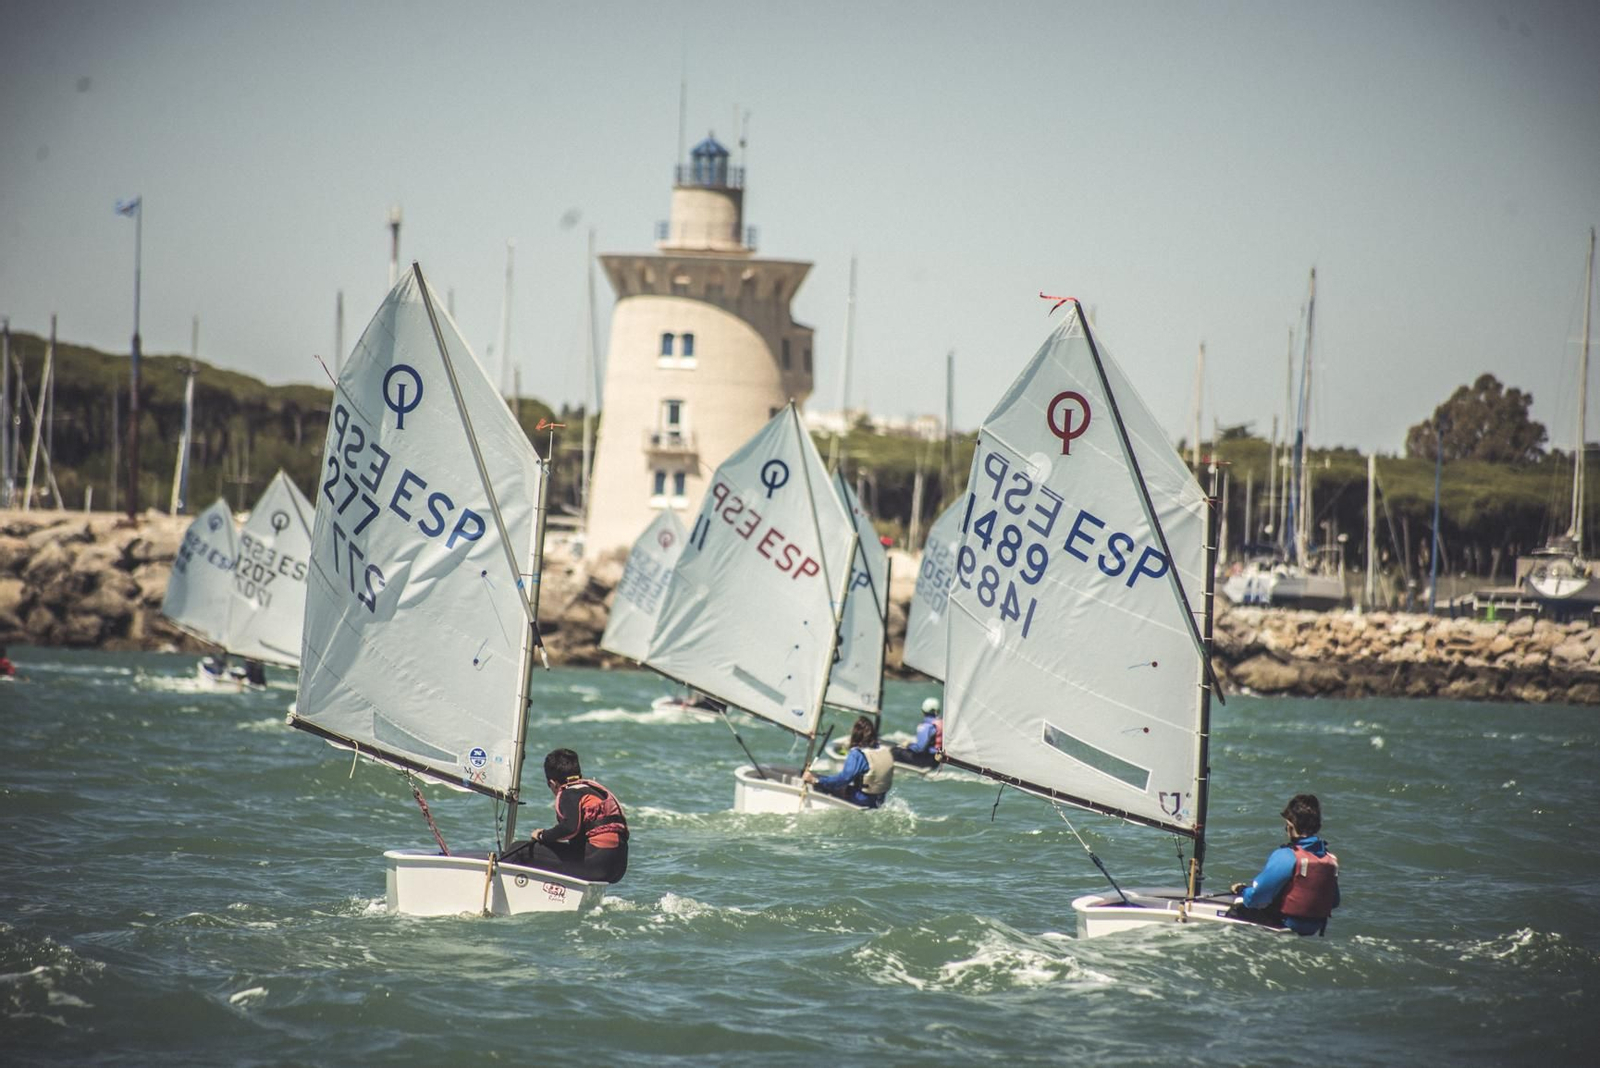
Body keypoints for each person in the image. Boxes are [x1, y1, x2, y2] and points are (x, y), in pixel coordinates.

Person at [499, 748, 629, 883]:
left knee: (518, 850)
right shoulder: (593, 791)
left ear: (552, 783)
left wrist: (542, 835)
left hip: (596, 862)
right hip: (618, 867)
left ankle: (494, 886)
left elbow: (569, 828)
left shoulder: (569, 793)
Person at [1227, 793, 1340, 936]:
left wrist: (1242, 890)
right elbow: (1334, 902)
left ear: (1290, 825)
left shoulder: (1286, 855)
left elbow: (1257, 897)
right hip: (1313, 930)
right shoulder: (1330, 859)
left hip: (1282, 925)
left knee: (1238, 908)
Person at [803, 716, 894, 808]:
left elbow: (843, 780)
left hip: (860, 801)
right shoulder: (884, 750)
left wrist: (816, 780)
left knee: (821, 784)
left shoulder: (857, 754)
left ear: (856, 734)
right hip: (878, 801)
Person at [891, 697, 943, 768]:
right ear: (938, 711)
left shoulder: (926, 726)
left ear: (923, 711)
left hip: (926, 760)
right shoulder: (941, 723)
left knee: (895, 751)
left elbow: (919, 748)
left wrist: (908, 745)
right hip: (936, 761)